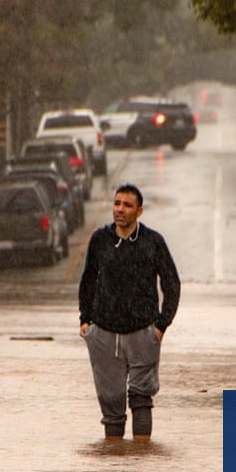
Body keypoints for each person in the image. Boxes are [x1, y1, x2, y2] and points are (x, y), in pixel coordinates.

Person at [78, 184, 181, 440]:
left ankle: (141, 464)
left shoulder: (153, 242)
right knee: (111, 404)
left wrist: (160, 327)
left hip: (143, 331)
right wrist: (85, 319)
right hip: (104, 332)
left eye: (127, 205)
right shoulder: (100, 240)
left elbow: (171, 284)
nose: (120, 209)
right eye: (117, 203)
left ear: (139, 211)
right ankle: (115, 467)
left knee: (141, 397)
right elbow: (88, 280)